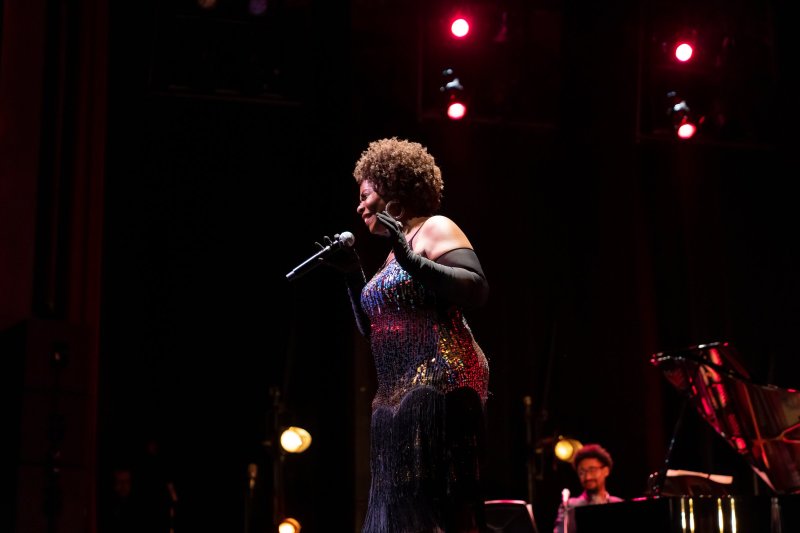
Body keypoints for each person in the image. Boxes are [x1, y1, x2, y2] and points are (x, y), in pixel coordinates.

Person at [323, 137, 492, 532]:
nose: (359, 206)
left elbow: (476, 288)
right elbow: (379, 332)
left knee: (436, 507)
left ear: (392, 190)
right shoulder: (391, 256)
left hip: (443, 383)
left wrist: (411, 258)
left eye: (365, 195)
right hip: (398, 393)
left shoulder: (434, 228)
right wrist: (353, 277)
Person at [553, 443, 623, 533]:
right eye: (581, 472)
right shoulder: (570, 506)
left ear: (606, 471)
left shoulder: (618, 503)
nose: (587, 477)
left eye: (592, 470)